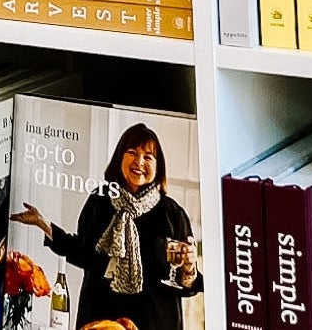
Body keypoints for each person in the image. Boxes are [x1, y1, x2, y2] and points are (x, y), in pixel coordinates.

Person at [10, 123, 201, 330]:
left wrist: (189, 268)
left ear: (158, 165)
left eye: (148, 157)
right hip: (99, 318)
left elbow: (186, 286)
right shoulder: (100, 201)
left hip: (155, 322)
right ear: (120, 157)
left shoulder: (172, 213)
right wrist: (42, 223)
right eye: (132, 152)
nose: (139, 161)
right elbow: (83, 253)